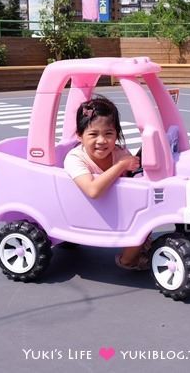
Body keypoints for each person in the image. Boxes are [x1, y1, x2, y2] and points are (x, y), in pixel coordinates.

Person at [64, 95, 151, 270]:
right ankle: (128, 261)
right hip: (86, 212)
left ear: (117, 134)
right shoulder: (74, 158)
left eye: (108, 134)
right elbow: (92, 190)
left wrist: (135, 164)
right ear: (80, 136)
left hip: (115, 211)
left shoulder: (119, 152)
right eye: (93, 134)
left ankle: (138, 246)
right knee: (141, 224)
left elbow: (132, 175)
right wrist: (121, 166)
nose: (102, 141)